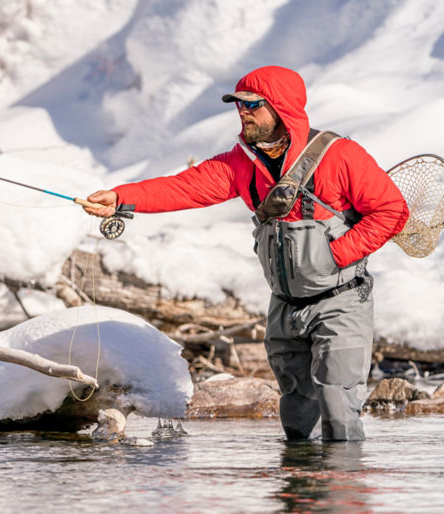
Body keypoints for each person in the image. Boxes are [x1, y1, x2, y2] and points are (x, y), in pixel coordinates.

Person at [84, 66, 409, 441]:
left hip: (341, 301)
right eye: (238, 104)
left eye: (252, 105)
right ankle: (298, 495)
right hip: (285, 305)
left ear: (281, 107)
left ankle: (339, 492)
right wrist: (122, 198)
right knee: (296, 418)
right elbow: (185, 188)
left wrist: (337, 254)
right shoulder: (243, 163)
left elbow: (392, 211)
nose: (243, 112)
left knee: (339, 413)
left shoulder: (339, 155)